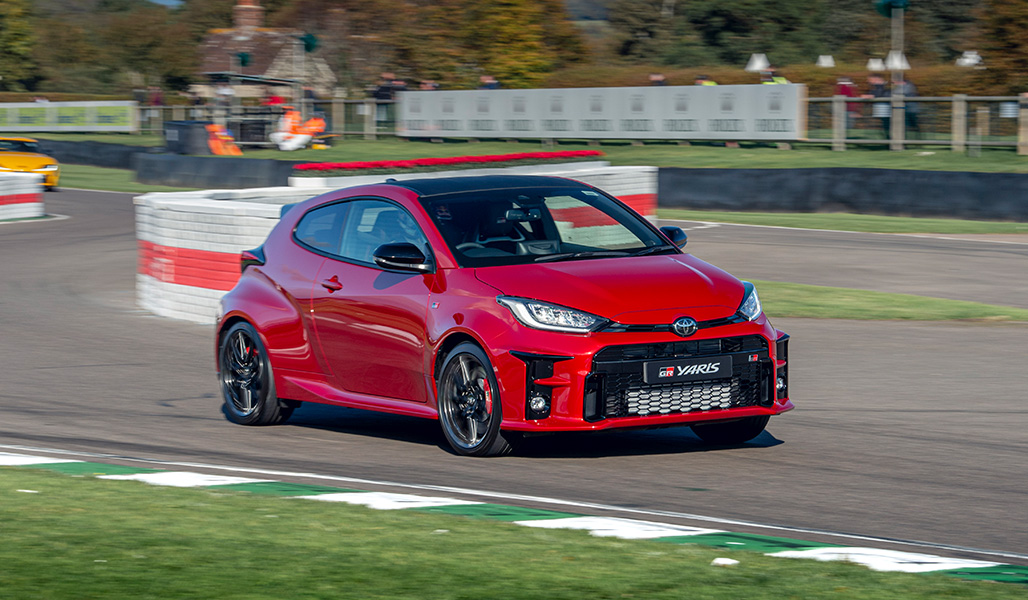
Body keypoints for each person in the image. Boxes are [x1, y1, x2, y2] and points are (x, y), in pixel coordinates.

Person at [862, 74, 890, 138]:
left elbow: (879, 93)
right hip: (883, 110)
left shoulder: (880, 86)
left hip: (885, 109)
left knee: (887, 126)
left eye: (870, 80)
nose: (868, 81)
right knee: (885, 127)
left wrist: (871, 95)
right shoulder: (877, 87)